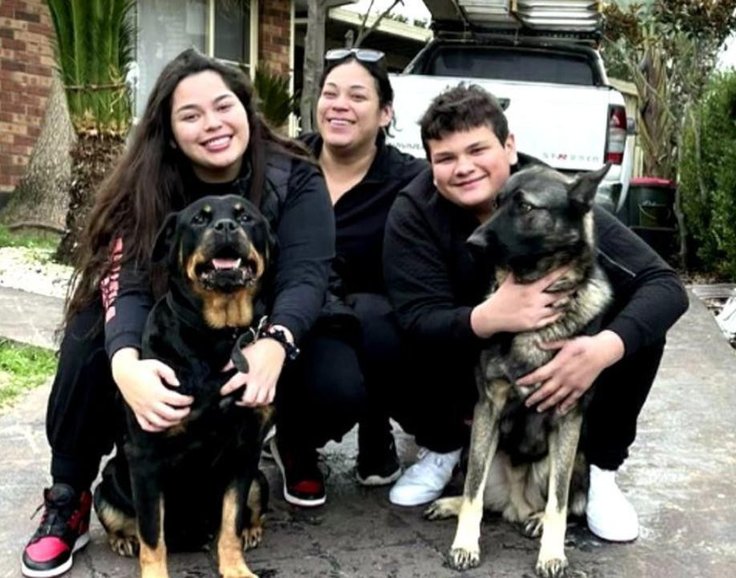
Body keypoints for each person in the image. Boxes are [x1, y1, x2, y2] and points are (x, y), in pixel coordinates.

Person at [21, 48, 334, 578]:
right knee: (88, 332)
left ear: (247, 109)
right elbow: (127, 281)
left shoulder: (293, 175)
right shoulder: (146, 181)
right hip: (174, 325)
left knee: (335, 365)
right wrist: (126, 364)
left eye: (223, 105)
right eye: (190, 115)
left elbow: (307, 272)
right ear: (168, 130)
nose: (212, 124)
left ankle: (290, 451)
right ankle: (70, 494)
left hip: (261, 325)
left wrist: (275, 343)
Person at [381, 83, 689, 542]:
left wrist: (601, 350)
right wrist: (490, 316)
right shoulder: (415, 210)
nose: (463, 168)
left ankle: (599, 469)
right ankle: (445, 447)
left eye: (477, 150)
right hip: (467, 370)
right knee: (382, 327)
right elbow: (417, 318)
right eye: (445, 158)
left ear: (509, 146)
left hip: (559, 380)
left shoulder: (557, 198)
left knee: (639, 321)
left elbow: (666, 286)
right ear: (430, 164)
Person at [268, 48, 427, 507]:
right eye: (330, 93)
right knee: (336, 387)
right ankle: (293, 440)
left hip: (371, 323)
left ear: (384, 113)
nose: (339, 105)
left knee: (381, 323)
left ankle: (376, 421)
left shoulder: (409, 180)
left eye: (357, 96)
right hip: (295, 320)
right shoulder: (283, 166)